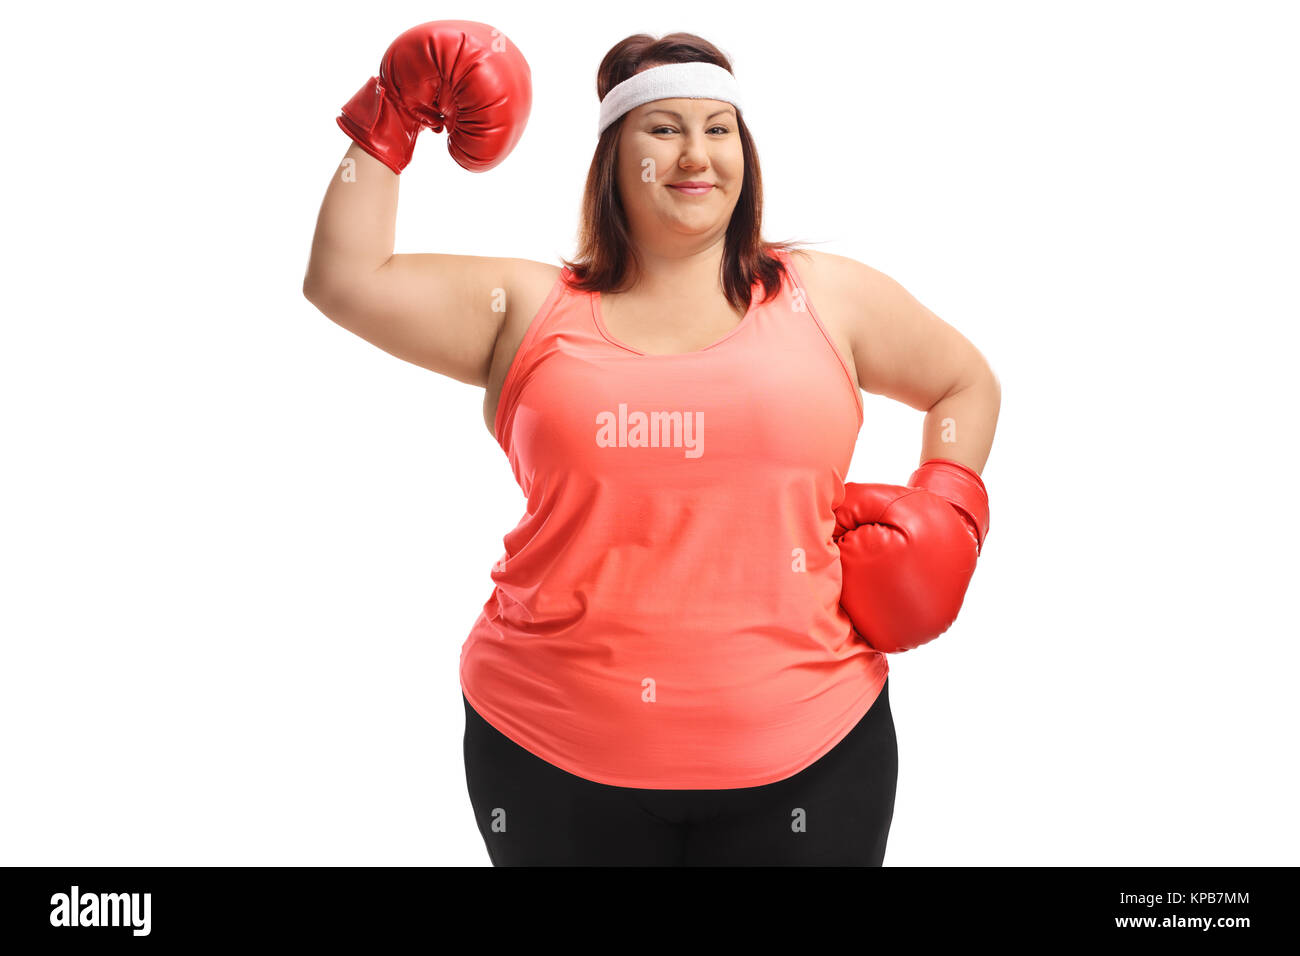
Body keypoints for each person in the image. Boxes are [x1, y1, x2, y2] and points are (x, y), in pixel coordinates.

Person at [303, 23, 1001, 866]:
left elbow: (965, 382)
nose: (695, 155)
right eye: (663, 130)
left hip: (814, 755)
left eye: (718, 129)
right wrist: (392, 110)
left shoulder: (824, 298)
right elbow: (343, 278)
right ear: (614, 160)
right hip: (549, 757)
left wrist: (949, 508)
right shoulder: (526, 308)